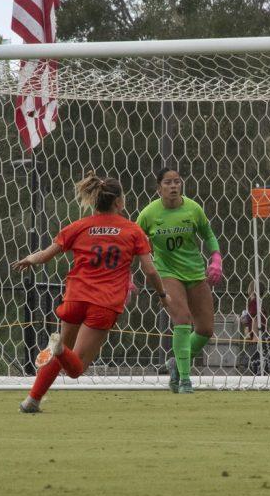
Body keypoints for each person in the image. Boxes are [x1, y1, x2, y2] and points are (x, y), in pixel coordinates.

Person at [13, 174, 170, 413]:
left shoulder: (78, 226)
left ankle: (32, 400)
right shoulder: (133, 231)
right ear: (119, 202)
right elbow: (150, 270)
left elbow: (45, 255)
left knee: (62, 355)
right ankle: (58, 348)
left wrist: (29, 259)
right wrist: (162, 295)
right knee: (76, 368)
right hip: (103, 303)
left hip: (75, 297)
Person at [137, 167, 222, 394]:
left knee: (205, 329)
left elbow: (208, 234)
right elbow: (133, 242)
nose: (173, 186)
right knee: (182, 319)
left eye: (177, 181)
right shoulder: (148, 214)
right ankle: (184, 380)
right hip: (167, 273)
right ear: (159, 188)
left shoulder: (193, 209)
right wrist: (126, 276)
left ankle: (175, 363)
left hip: (194, 273)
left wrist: (216, 258)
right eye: (168, 182)